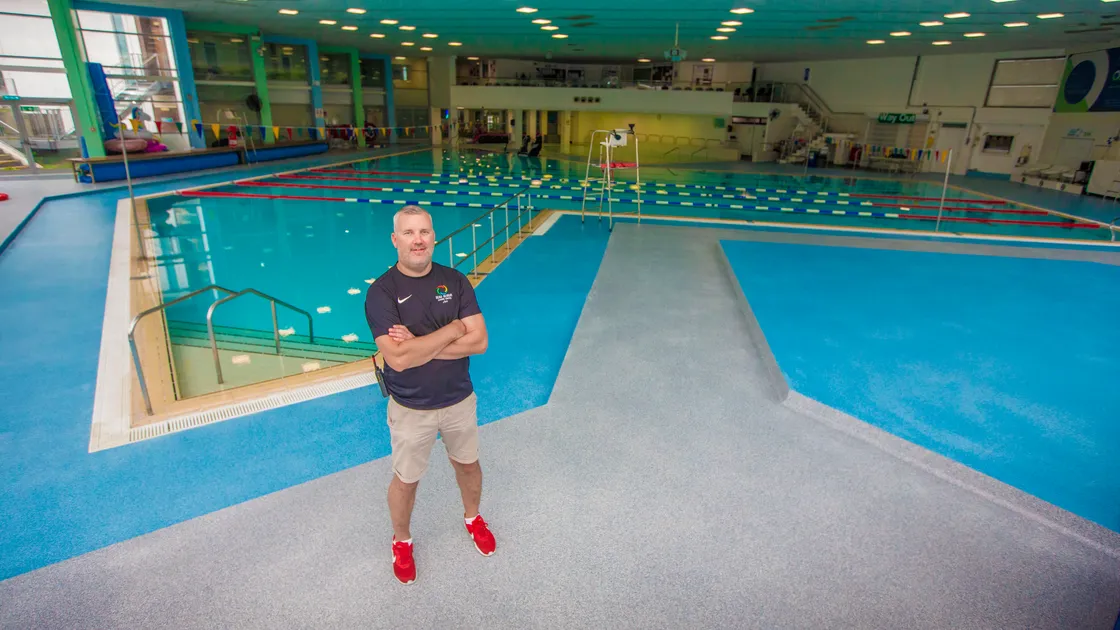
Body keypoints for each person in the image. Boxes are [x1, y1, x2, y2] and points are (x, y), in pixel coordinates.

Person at [364, 205, 494, 585]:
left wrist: (420, 344)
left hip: (458, 399)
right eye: (409, 233)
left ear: (433, 237)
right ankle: (401, 540)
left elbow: (481, 341)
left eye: (424, 232)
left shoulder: (455, 281)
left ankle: (473, 517)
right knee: (406, 480)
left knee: (468, 465)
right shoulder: (381, 293)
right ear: (395, 240)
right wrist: (454, 328)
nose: (417, 240)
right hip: (410, 408)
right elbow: (399, 360)